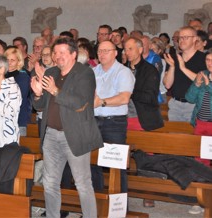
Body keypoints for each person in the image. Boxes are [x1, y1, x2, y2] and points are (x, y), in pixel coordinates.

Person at [31, 37, 103, 218]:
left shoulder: (84, 73)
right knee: (49, 182)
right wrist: (39, 95)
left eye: (63, 52)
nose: (58, 56)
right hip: (51, 135)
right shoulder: (52, 71)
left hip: (74, 135)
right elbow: (40, 107)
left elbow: (81, 103)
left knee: (83, 183)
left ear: (73, 54)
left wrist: (55, 90)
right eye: (56, 52)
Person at [92, 40, 135, 193]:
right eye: (99, 51)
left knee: (117, 165)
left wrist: (101, 102)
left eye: (106, 51)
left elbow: (124, 98)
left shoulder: (123, 72)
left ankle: (119, 208)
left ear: (115, 53)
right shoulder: (93, 71)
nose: (102, 54)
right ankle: (97, 204)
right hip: (94, 121)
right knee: (93, 163)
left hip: (114, 123)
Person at [184, 51, 212, 215]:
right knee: (200, 162)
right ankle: (200, 200)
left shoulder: (207, 79)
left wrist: (208, 84)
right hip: (201, 124)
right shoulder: (202, 75)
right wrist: (197, 84)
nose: (209, 63)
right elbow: (189, 98)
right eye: (208, 60)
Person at [164, 26, 207, 122]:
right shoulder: (173, 58)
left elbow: (203, 81)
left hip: (194, 104)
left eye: (186, 37)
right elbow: (167, 85)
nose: (181, 40)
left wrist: (183, 68)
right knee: (173, 135)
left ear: (195, 39)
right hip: (175, 104)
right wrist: (172, 67)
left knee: (192, 136)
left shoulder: (203, 58)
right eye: (180, 38)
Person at [125, 37, 164, 131]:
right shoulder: (123, 70)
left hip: (142, 118)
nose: (127, 52)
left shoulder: (150, 70)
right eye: (125, 49)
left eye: (130, 49)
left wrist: (129, 93)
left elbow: (150, 97)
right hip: (123, 117)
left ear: (140, 50)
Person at [4, 47, 31, 137]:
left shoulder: (23, 76)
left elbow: (18, 99)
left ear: (19, 61)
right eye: (7, 60)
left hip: (18, 120)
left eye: (13, 60)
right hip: (2, 120)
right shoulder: (1, 75)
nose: (9, 63)